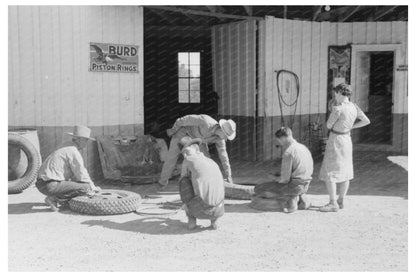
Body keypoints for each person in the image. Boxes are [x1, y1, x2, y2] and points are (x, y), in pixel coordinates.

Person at [319, 83, 370, 212]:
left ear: (339, 93)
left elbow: (329, 125)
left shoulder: (338, 108)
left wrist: (333, 112)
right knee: (345, 170)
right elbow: (366, 121)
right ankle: (341, 200)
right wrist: (351, 126)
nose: (335, 95)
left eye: (336, 93)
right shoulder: (354, 106)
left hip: (336, 139)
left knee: (331, 171)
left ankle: (332, 202)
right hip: (347, 139)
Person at [158, 114, 236, 189]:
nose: (226, 139)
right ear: (221, 130)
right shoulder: (205, 121)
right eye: (226, 136)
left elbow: (223, 155)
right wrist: (173, 130)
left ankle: (205, 183)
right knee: (172, 158)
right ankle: (162, 182)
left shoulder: (220, 139)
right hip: (183, 134)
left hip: (199, 140)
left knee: (207, 161)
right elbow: (183, 120)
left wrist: (228, 175)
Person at [35, 125, 101, 211]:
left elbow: (75, 175)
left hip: (42, 184)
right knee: (85, 188)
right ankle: (54, 199)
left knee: (78, 184)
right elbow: (81, 173)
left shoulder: (66, 146)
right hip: (50, 184)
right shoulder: (73, 151)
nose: (86, 143)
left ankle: (54, 197)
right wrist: (93, 188)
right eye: (86, 140)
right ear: (79, 139)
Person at [254, 127, 313, 213]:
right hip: (306, 184)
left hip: (294, 186)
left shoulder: (288, 152)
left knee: (259, 189)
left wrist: (273, 177)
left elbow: (284, 180)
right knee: (281, 182)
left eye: (279, 140)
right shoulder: (303, 148)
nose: (279, 143)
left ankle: (291, 199)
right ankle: (300, 196)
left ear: (283, 138)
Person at [178, 137, 225, 230]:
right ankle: (214, 221)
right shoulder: (211, 161)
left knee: (184, 182)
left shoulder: (188, 160)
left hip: (200, 209)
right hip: (218, 208)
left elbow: (183, 180)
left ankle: (191, 221)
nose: (185, 155)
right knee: (216, 184)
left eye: (185, 152)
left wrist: (184, 203)